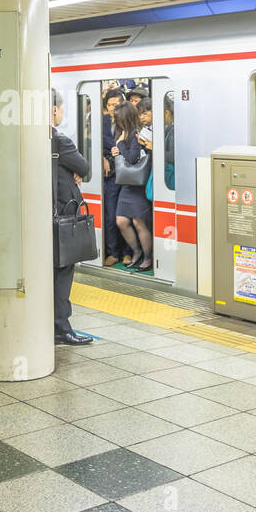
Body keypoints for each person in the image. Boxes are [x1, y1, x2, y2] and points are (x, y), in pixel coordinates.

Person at [51, 90, 94, 345]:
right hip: (63, 219)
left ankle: (50, 323)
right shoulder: (60, 140)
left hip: (42, 215)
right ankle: (61, 327)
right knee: (62, 271)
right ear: (54, 110)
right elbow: (85, 169)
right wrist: (71, 171)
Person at [110, 101, 153, 272]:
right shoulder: (122, 133)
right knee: (121, 221)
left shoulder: (136, 133)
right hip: (127, 185)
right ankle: (136, 252)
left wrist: (120, 146)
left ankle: (147, 257)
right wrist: (117, 151)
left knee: (138, 222)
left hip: (137, 186)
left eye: (119, 119)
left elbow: (133, 158)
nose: (117, 122)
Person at [100, 88, 126, 266]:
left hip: (126, 174)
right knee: (110, 216)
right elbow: (93, 139)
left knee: (125, 216)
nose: (111, 108)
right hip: (110, 176)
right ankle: (113, 252)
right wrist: (102, 156)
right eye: (109, 105)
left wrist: (111, 144)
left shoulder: (126, 121)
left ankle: (127, 252)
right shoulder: (101, 121)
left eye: (115, 105)